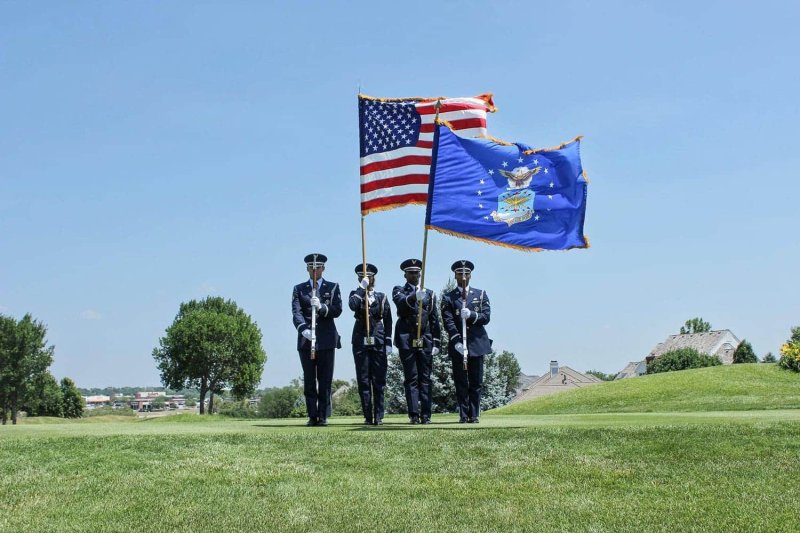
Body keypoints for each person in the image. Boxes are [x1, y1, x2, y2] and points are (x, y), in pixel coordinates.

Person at [291, 253, 342, 427]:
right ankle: (312, 415)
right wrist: (303, 329)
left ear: (323, 268)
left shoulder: (333, 287)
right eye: (312, 267)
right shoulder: (299, 289)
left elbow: (337, 310)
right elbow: (296, 313)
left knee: (325, 380)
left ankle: (323, 416)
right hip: (306, 340)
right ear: (307, 269)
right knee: (310, 380)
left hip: (326, 339)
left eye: (318, 267)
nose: (315, 270)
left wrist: (322, 307)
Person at [441, 260, 492, 423]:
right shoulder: (448, 298)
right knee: (461, 381)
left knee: (476, 382)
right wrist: (456, 341)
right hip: (458, 345)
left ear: (470, 275)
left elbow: (486, 317)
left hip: (477, 344)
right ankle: (464, 414)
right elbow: (447, 321)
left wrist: (471, 315)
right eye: (460, 273)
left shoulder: (481, 294)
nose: (463, 277)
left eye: (466, 273)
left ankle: (474, 414)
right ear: (455, 275)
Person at [392, 258, 441, 424]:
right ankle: (413, 415)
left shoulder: (430, 294)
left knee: (425, 378)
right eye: (411, 273)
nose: (415, 275)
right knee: (411, 378)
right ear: (405, 275)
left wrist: (436, 342)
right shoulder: (399, 290)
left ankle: (426, 415)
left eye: (417, 272)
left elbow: (434, 320)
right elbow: (400, 304)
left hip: (425, 340)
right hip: (407, 339)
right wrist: (414, 296)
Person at [348, 263, 393, 425]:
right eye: (362, 277)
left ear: (374, 278)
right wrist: (362, 288)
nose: (366, 278)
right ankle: (368, 416)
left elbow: (388, 320)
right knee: (364, 380)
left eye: (369, 277)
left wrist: (388, 341)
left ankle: (379, 416)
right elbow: (352, 305)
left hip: (378, 339)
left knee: (379, 380)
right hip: (360, 339)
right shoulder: (355, 294)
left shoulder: (382, 297)